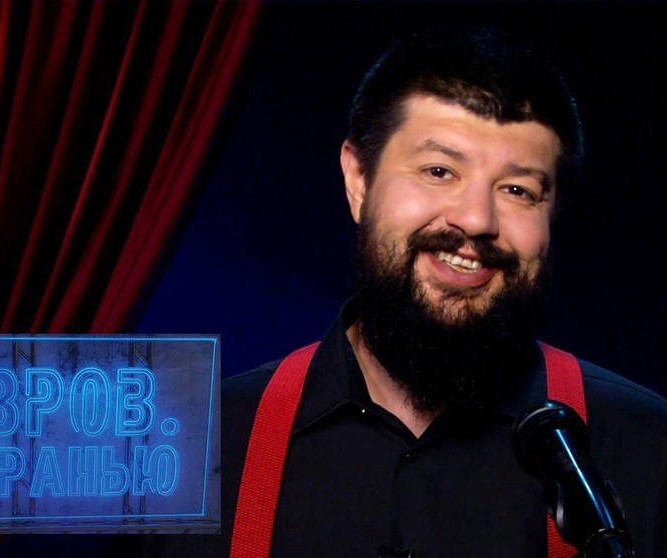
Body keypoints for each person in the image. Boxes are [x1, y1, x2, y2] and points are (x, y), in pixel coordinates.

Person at [148, 27, 667, 558]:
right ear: (359, 180)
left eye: (517, 189)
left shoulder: (650, 448)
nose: (476, 219)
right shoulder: (192, 448)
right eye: (439, 171)